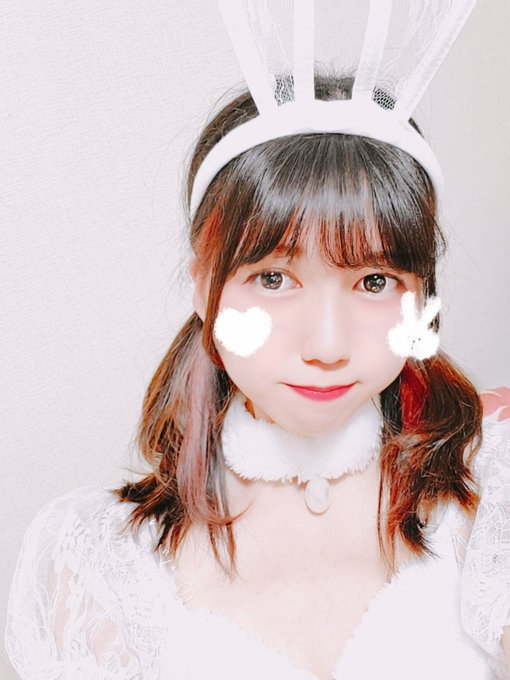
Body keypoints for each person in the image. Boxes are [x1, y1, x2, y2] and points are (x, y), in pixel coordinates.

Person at [5, 5, 510, 680]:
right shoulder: (99, 565)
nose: (326, 345)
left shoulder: (491, 498)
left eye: (374, 281)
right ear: (202, 286)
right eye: (273, 278)